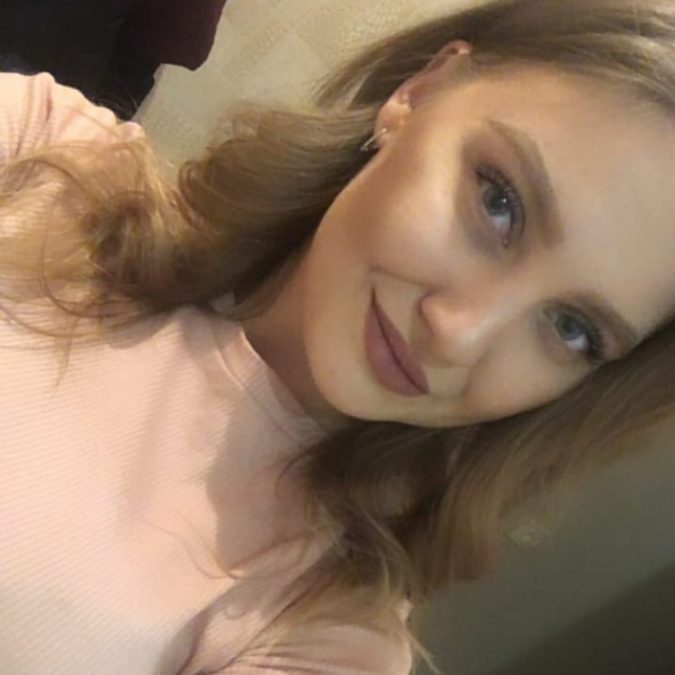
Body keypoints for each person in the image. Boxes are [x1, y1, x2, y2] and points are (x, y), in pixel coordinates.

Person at [1, 0, 674, 672]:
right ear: (419, 93)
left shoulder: (319, 632)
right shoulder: (43, 151)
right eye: (499, 202)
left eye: (572, 329)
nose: (460, 335)